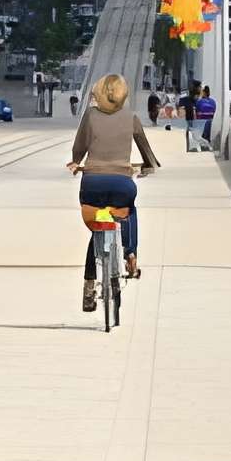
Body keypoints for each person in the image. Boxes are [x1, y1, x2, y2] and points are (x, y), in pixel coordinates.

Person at [72, 72, 159, 312]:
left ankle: (89, 286)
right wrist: (149, 165)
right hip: (122, 183)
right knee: (128, 209)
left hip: (92, 184)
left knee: (98, 229)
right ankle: (130, 254)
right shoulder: (131, 117)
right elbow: (145, 149)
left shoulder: (90, 115)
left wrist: (76, 161)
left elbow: (79, 147)